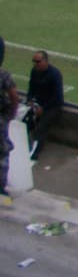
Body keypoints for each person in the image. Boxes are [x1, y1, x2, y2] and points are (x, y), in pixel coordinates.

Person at [25, 50, 63, 160]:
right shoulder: (34, 71)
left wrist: (44, 108)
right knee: (25, 121)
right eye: (34, 61)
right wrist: (29, 99)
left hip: (52, 106)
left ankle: (34, 153)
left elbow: (57, 96)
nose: (35, 64)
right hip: (39, 103)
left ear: (45, 61)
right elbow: (31, 87)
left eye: (37, 61)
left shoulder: (55, 74)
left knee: (40, 128)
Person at [0, 36, 20, 196]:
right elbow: (14, 97)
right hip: (1, 120)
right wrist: (10, 116)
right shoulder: (3, 75)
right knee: (2, 152)